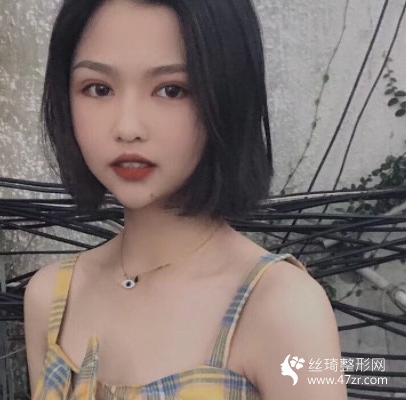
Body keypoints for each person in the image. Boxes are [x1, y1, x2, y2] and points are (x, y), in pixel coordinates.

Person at [24, 0, 348, 399]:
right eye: (99, 89)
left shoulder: (283, 307)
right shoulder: (51, 298)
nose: (127, 127)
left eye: (172, 90)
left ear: (227, 97)